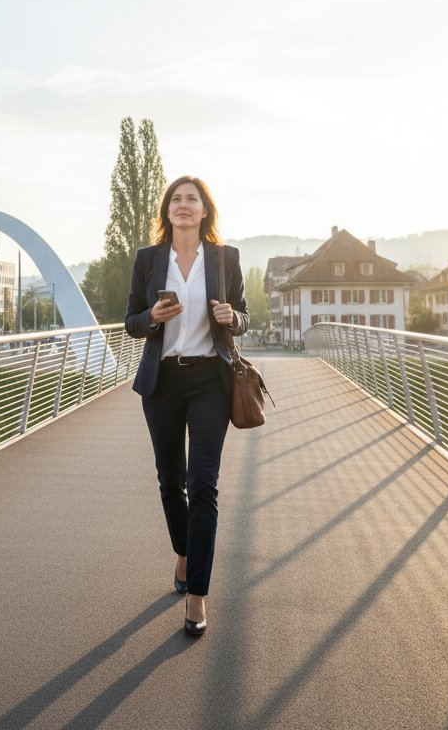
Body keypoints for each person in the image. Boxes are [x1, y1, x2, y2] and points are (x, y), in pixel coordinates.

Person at [124, 175, 248, 637]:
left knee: (203, 484)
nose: (183, 205)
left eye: (191, 199)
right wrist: (151, 319)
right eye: (176, 199)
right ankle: (184, 550)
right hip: (163, 382)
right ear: (167, 211)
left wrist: (232, 317)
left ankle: (197, 596)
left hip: (209, 382)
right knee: (170, 480)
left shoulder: (224, 258)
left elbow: (244, 314)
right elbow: (131, 319)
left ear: (205, 210)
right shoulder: (149, 259)